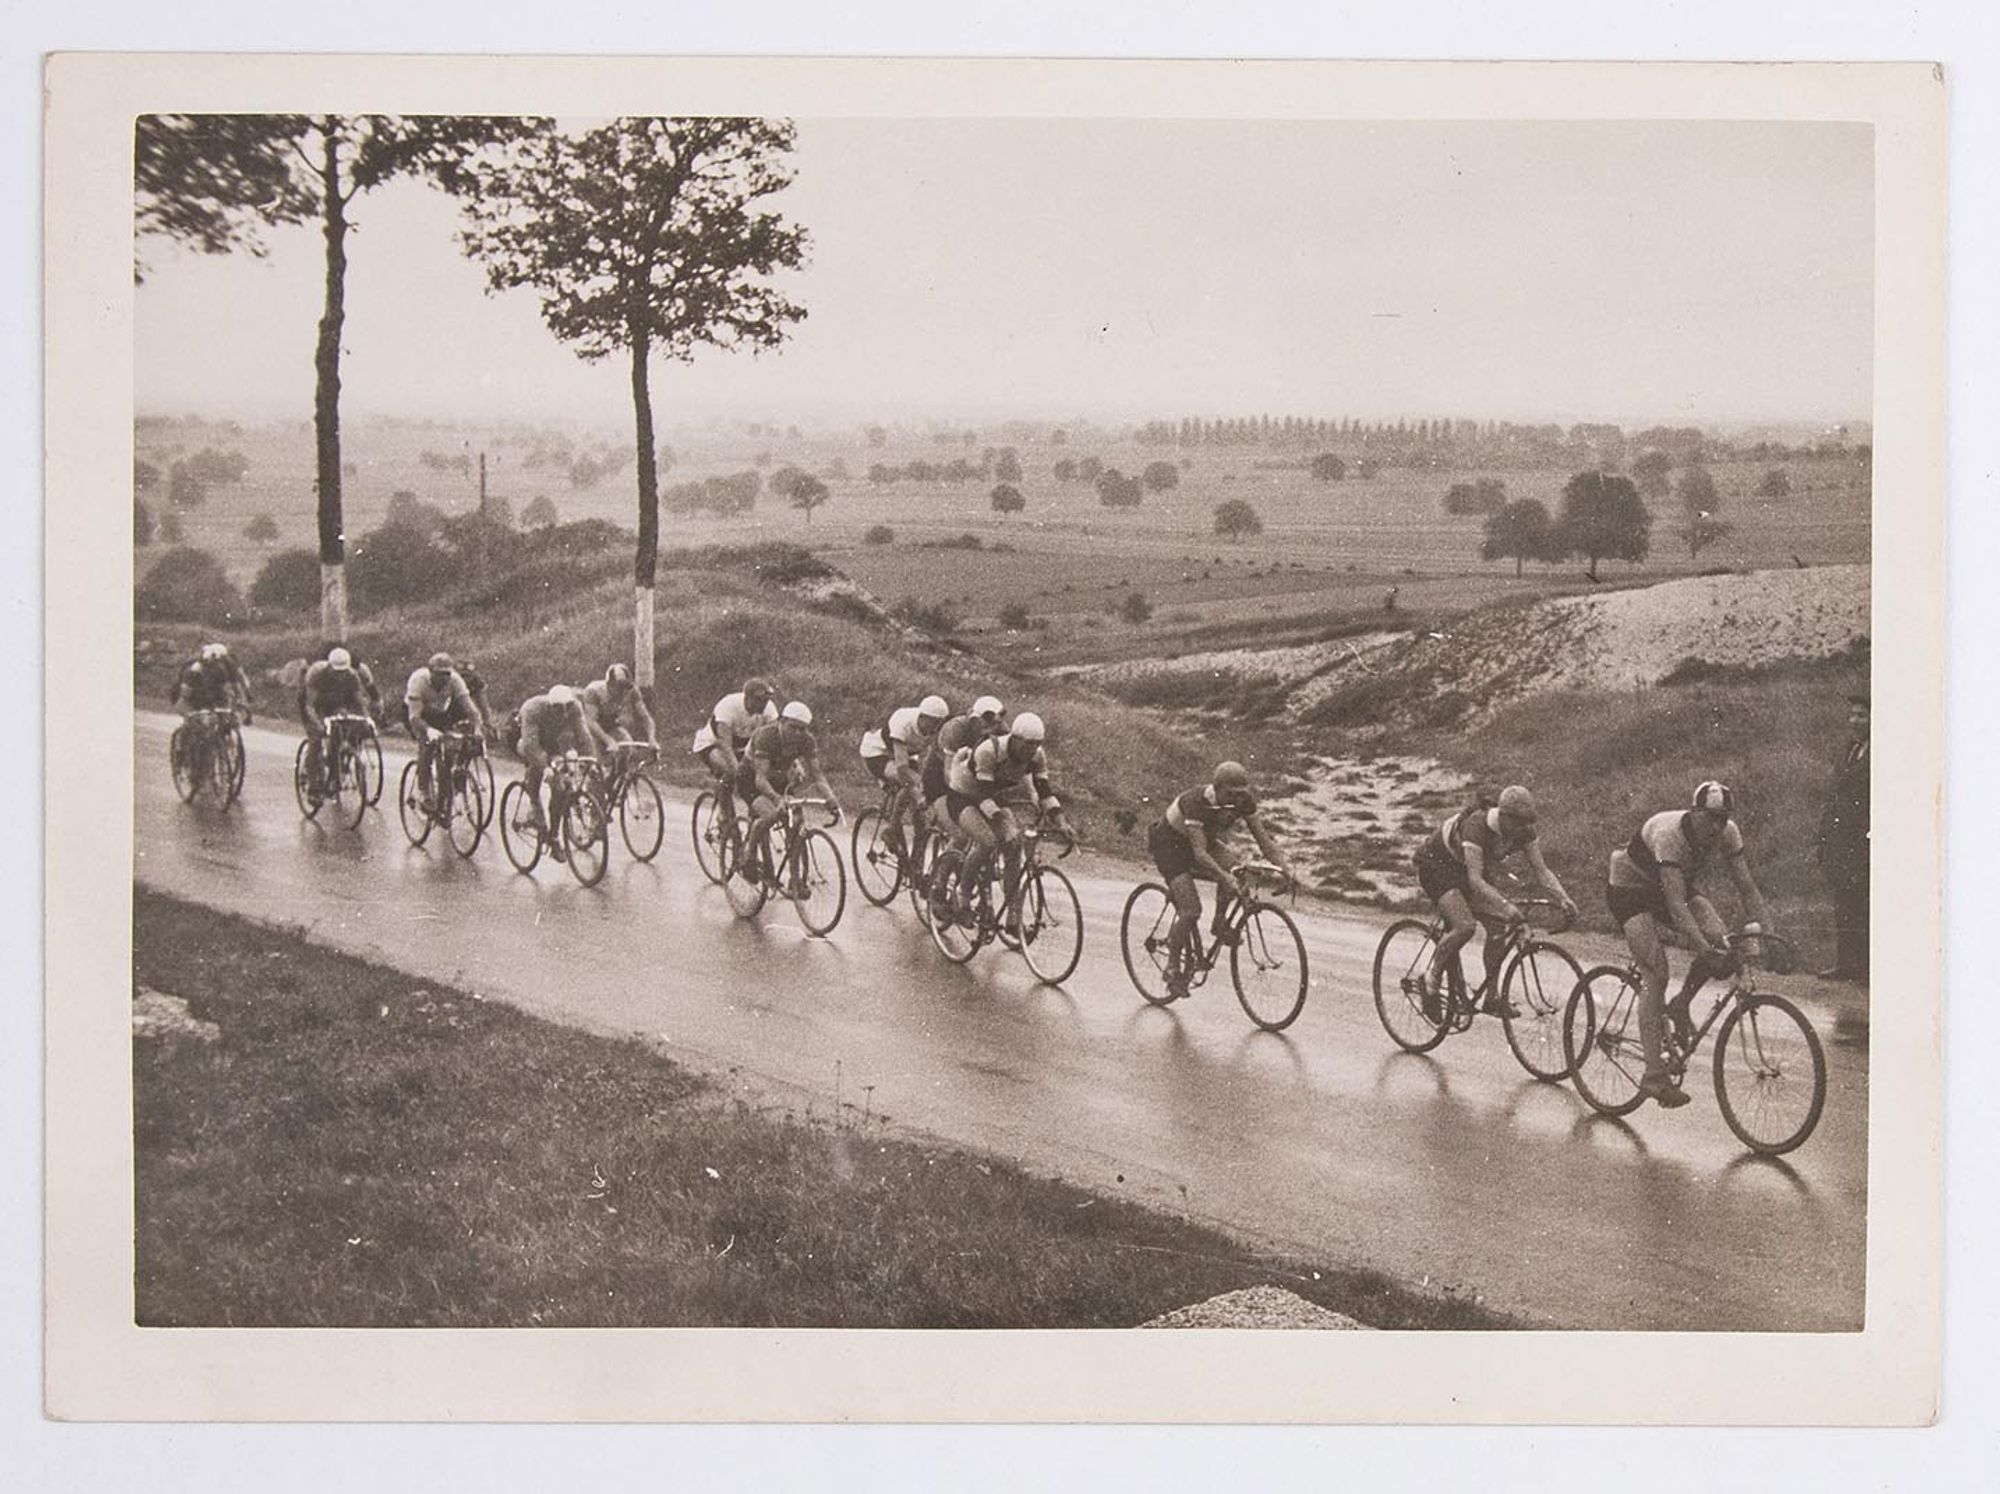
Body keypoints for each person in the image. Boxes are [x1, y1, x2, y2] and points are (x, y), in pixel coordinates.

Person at [1605, 782, 1776, 1109]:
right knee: (1657, 973)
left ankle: (1681, 1004)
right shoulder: (1670, 834)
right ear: (1694, 813)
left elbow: (1747, 886)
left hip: (1672, 889)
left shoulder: (1727, 832)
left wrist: (1772, 934)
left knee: (1721, 937)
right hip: (1630, 890)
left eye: (1723, 818)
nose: (1716, 827)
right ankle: (1654, 1076)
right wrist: (1704, 952)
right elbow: (1676, 906)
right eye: (1710, 818)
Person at [1412, 785, 1578, 1018]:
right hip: (1437, 866)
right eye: (1518, 822)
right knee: (1464, 926)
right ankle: (1429, 979)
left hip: (1467, 868)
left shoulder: (1523, 831)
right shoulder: (1478, 827)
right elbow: (1476, 881)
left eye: (1527, 822)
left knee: (1499, 925)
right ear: (1503, 815)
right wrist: (1506, 906)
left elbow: (1542, 871)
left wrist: (1564, 898)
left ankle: (1492, 999)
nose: (1522, 828)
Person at [1147, 762, 1297, 1000]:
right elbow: (1200, 854)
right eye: (1230, 794)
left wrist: (1284, 868)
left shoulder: (1244, 801)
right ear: (1216, 788)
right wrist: (1223, 877)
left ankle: (1220, 923)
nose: (1236, 800)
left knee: (1238, 870)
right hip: (1170, 845)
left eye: (1240, 794)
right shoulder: (1196, 802)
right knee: (1191, 910)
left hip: (1205, 842)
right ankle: (1173, 968)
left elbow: (1264, 841)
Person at [943, 711, 1073, 933]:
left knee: (1013, 845)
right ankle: (961, 895)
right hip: (965, 794)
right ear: (1014, 738)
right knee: (988, 841)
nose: (1030, 751)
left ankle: (1013, 916)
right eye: (1027, 745)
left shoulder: (1036, 755)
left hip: (992, 795)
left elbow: (1044, 790)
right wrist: (1007, 823)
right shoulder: (989, 750)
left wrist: (1061, 821)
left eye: (1036, 745)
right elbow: (982, 795)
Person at [738, 702, 842, 883]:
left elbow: (817, 776)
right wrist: (777, 798)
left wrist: (831, 798)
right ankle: (750, 855)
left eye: (802, 729)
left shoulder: (807, 740)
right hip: (751, 778)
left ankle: (796, 880)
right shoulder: (766, 736)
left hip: (779, 777)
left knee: (796, 820)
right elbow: (760, 780)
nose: (797, 733)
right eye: (792, 727)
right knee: (770, 814)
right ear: (781, 721)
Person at [1816, 693, 1870, 985]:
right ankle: (1847, 963)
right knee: (1845, 901)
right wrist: (1824, 836)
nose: (1855, 721)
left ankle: (1866, 966)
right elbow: (1835, 796)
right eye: (1852, 715)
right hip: (1842, 840)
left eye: (1861, 715)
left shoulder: (1879, 752)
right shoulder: (1850, 749)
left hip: (1864, 839)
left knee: (1864, 901)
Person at [859, 694, 949, 859]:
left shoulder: (936, 730)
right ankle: (891, 831)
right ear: (922, 717)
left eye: (940, 723)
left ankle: (915, 865)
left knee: (920, 818)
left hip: (906, 754)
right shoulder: (903, 721)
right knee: (907, 783)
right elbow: (901, 768)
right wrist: (918, 789)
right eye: (934, 723)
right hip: (878, 753)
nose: (936, 728)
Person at [515, 683, 598, 858]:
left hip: (553, 742)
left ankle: (553, 836)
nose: (565, 712)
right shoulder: (533, 709)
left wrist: (592, 761)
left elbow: (584, 736)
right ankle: (534, 806)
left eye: (567, 707)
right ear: (550, 706)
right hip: (526, 740)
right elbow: (531, 745)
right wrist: (545, 767)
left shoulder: (575, 707)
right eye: (559, 709)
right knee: (540, 766)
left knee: (561, 787)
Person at [922, 694, 1005, 851]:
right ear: (974, 719)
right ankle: (940, 875)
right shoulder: (955, 729)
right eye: (984, 725)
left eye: (993, 726)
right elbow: (949, 774)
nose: (988, 730)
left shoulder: (996, 725)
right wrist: (972, 795)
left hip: (966, 782)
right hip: (939, 784)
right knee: (960, 837)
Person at [403, 652, 481, 805]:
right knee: (427, 745)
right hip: (417, 713)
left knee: (447, 752)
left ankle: (444, 797)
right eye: (439, 674)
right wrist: (428, 730)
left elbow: (471, 710)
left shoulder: (455, 680)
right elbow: (414, 717)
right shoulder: (419, 681)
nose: (444, 678)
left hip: (439, 713)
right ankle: (423, 790)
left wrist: (477, 729)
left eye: (447, 674)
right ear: (430, 671)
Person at [692, 677, 779, 815]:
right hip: (712, 744)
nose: (763, 704)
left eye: (766, 700)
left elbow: (775, 739)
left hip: (742, 747)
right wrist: (738, 771)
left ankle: (755, 816)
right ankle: (725, 816)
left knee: (755, 779)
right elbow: (725, 746)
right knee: (731, 773)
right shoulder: (728, 707)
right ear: (748, 698)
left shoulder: (769, 709)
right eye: (759, 700)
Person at [297, 646, 375, 796]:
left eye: (343, 671)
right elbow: (310, 705)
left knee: (339, 736)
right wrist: (317, 724)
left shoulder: (352, 676)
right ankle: (313, 786)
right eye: (337, 672)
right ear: (329, 666)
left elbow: (358, 701)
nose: (340, 675)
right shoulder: (317, 674)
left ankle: (334, 776)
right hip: (314, 705)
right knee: (316, 739)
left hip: (335, 705)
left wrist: (366, 719)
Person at [581, 663, 659, 759]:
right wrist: (608, 740)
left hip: (611, 723)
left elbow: (645, 717)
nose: (622, 692)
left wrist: (652, 738)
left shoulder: (631, 691)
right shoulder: (593, 691)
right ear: (609, 685)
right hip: (590, 728)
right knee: (597, 757)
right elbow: (591, 721)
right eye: (618, 688)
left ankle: (621, 773)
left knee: (626, 748)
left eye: (625, 687)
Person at [171, 641, 253, 723]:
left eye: (221, 661)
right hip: (191, 697)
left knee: (225, 716)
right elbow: (185, 695)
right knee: (198, 720)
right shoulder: (194, 669)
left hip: (213, 695)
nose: (217, 665)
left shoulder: (229, 666)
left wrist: (244, 699)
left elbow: (238, 682)